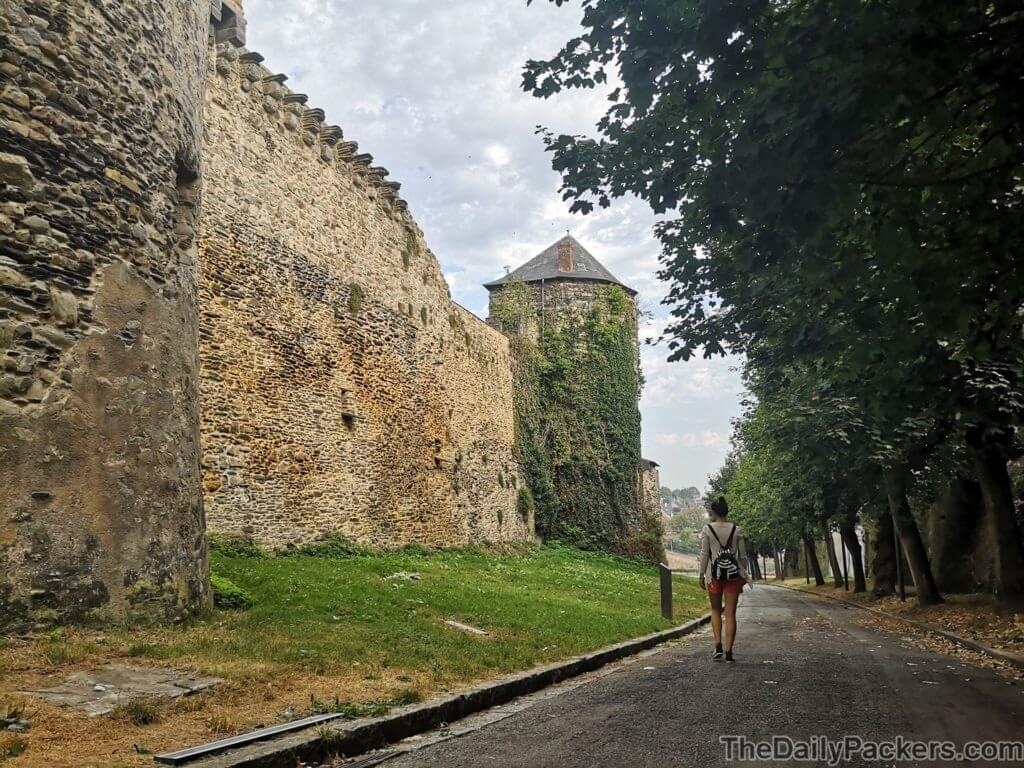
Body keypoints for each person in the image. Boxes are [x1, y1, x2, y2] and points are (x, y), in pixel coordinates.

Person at [698, 496, 752, 662]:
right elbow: (743, 557)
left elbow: (705, 554)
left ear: (713, 512)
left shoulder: (708, 529)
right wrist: (743, 574)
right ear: (727, 511)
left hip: (714, 576)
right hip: (733, 577)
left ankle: (718, 646)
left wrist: (701, 574)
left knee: (715, 610)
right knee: (730, 614)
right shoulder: (737, 530)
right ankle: (729, 653)